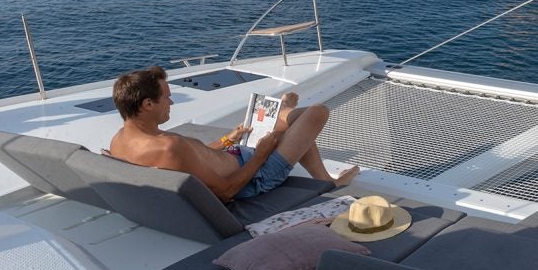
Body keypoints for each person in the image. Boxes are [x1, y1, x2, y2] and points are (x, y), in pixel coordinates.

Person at [108, 65, 358, 202]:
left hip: (236, 155)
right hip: (256, 177)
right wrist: (261, 154)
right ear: (147, 105)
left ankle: (284, 109)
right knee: (316, 112)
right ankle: (326, 179)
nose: (171, 104)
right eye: (167, 98)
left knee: (284, 119)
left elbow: (195, 160)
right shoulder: (168, 146)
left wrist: (229, 138)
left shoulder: (120, 141)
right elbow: (226, 192)